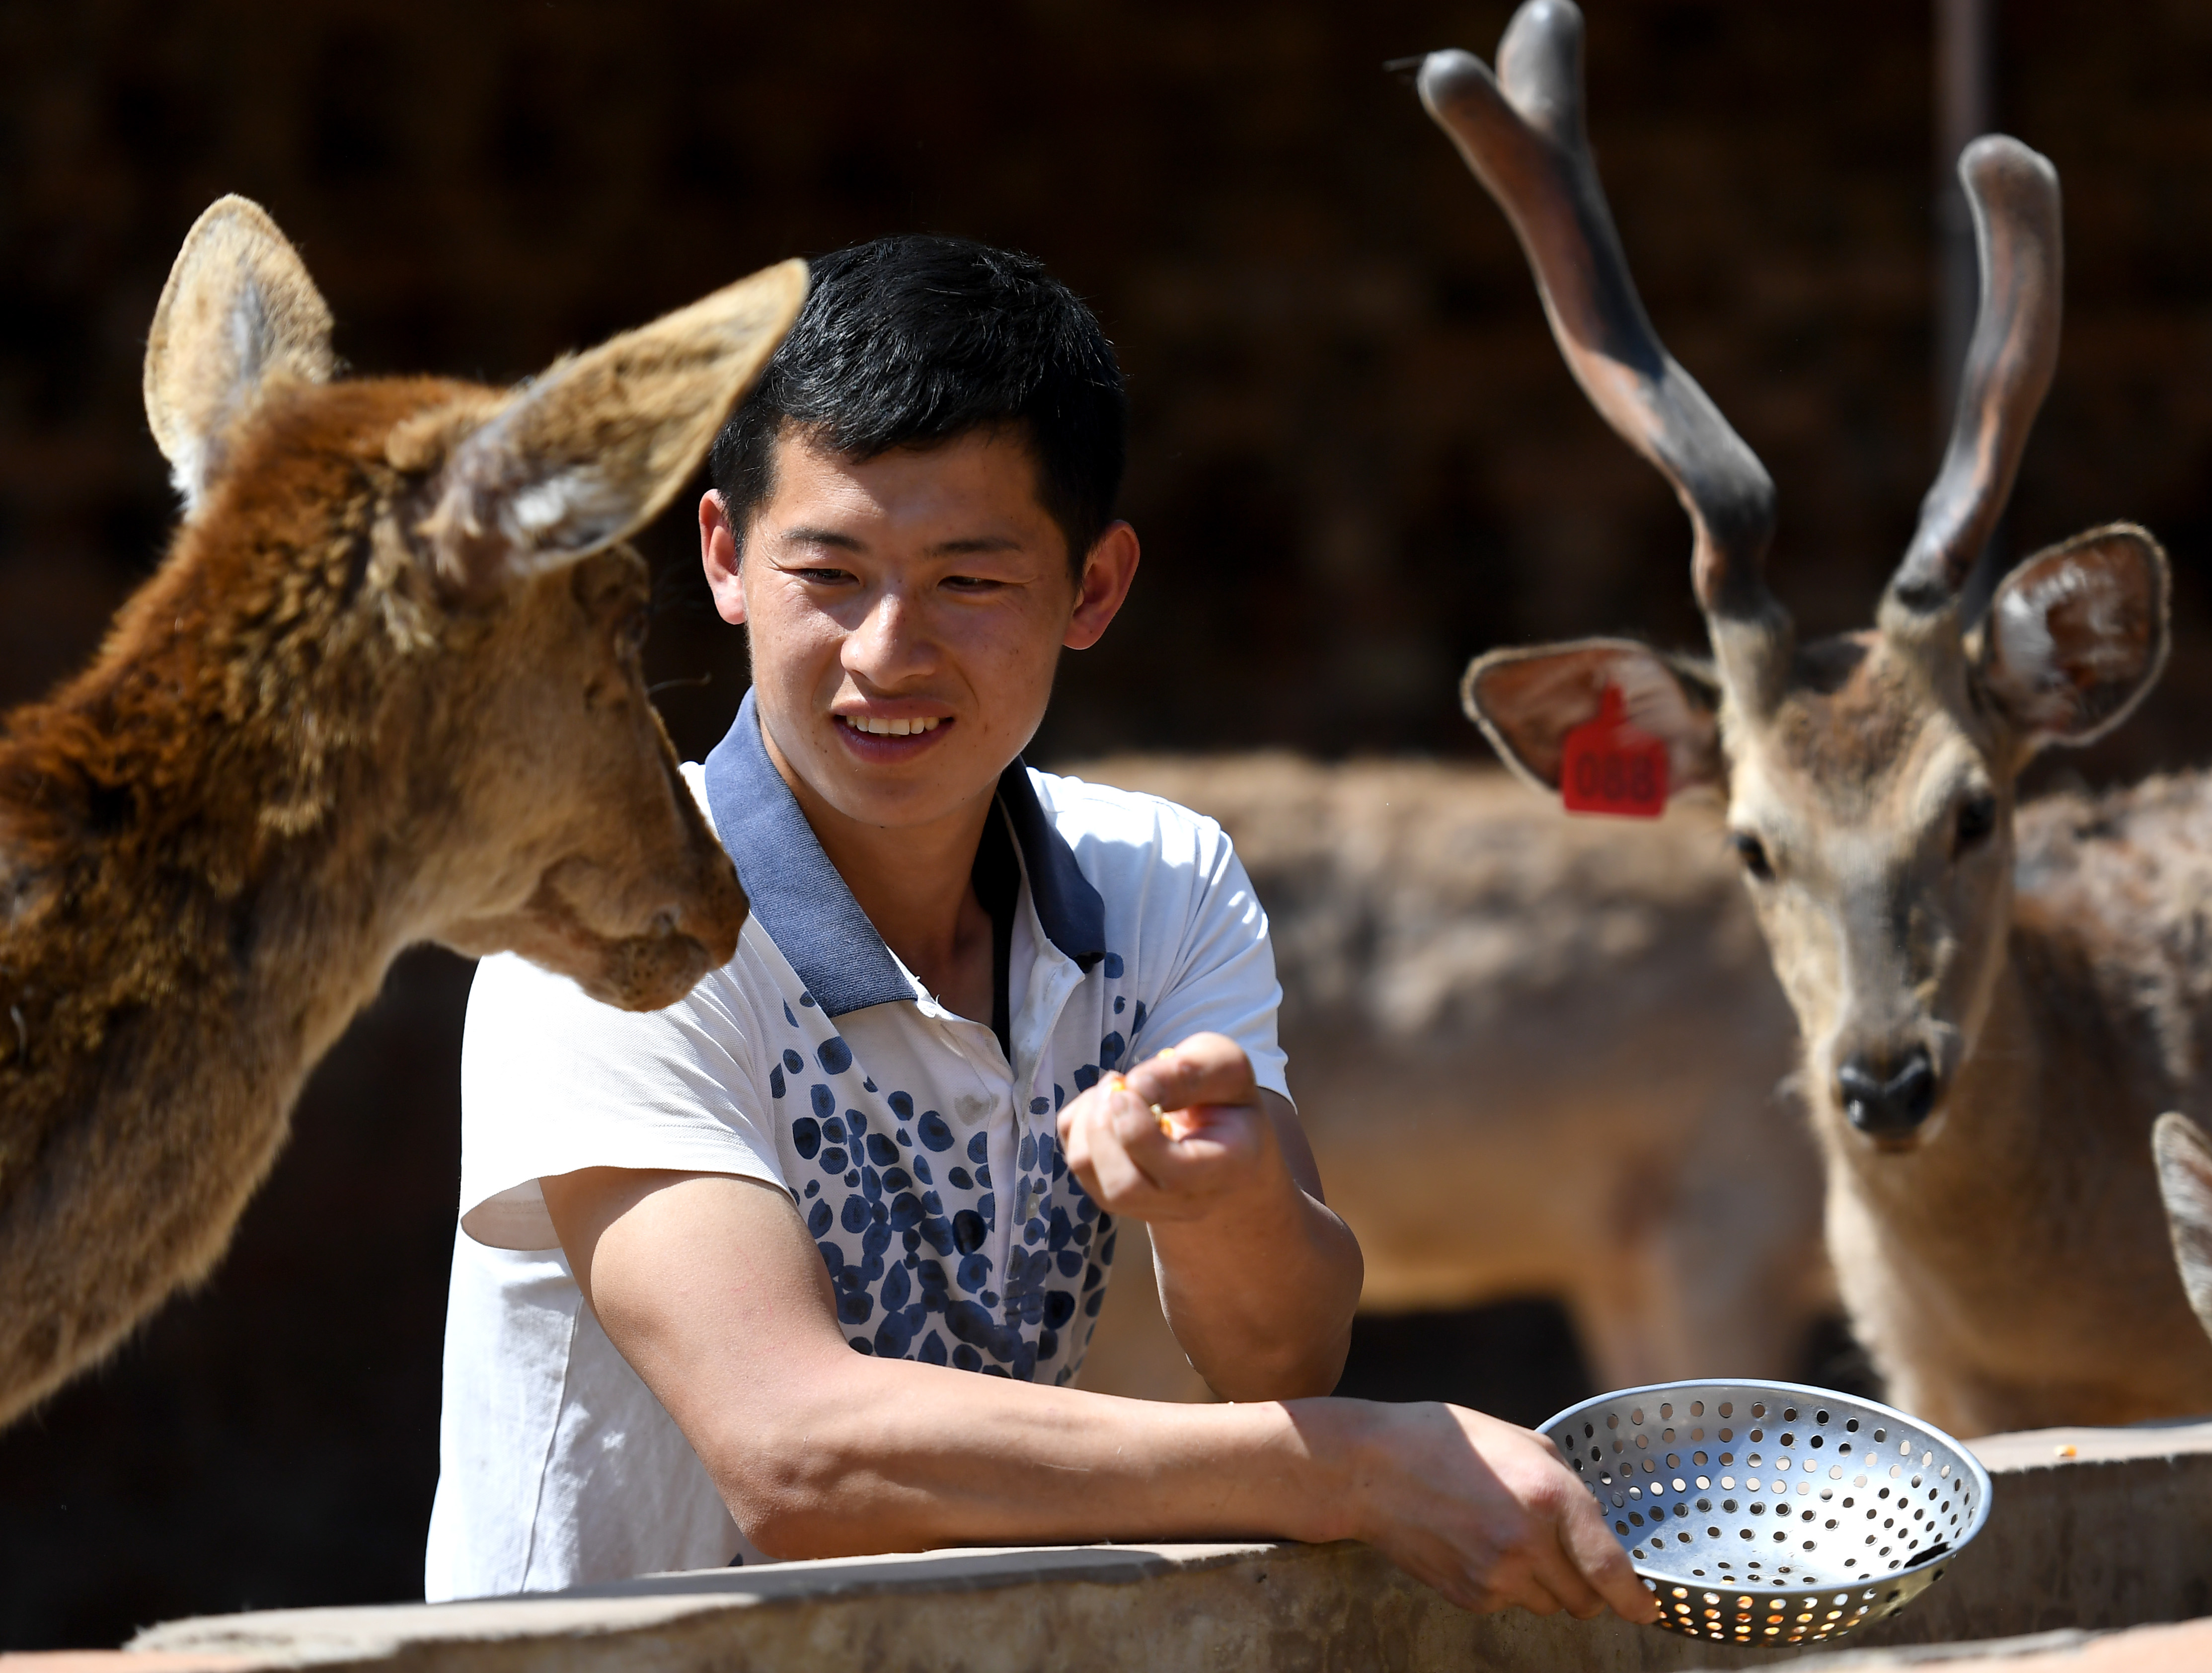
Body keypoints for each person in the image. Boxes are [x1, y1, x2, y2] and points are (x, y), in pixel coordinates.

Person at [423, 234, 1649, 1625]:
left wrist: (1233, 1210)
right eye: (830, 572)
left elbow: (1280, 1361)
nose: (888, 652)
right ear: (724, 556)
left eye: (971, 582)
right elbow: (797, 1456)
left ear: (1095, 591)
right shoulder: (610, 927)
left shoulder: (1163, 881)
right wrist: (1356, 1469)